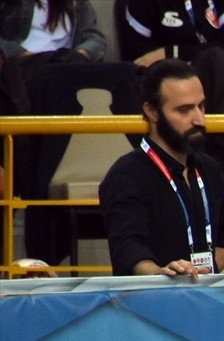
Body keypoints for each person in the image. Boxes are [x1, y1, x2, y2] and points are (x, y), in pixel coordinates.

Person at [0, 0, 139, 265]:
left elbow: (94, 39)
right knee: (45, 77)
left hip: (67, 69)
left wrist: (79, 56)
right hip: (22, 68)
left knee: (126, 74)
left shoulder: (76, 4)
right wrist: (22, 56)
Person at [120, 0, 224, 203]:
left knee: (217, 70)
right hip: (171, 81)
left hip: (222, 77)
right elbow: (138, 55)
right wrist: (179, 58)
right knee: (216, 71)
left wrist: (171, 51)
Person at [99, 58, 224, 277]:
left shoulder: (208, 167)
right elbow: (128, 247)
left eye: (201, 106)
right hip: (150, 302)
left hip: (204, 297)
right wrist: (161, 274)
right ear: (152, 112)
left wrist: (208, 269)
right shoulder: (126, 175)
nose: (199, 119)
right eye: (184, 110)